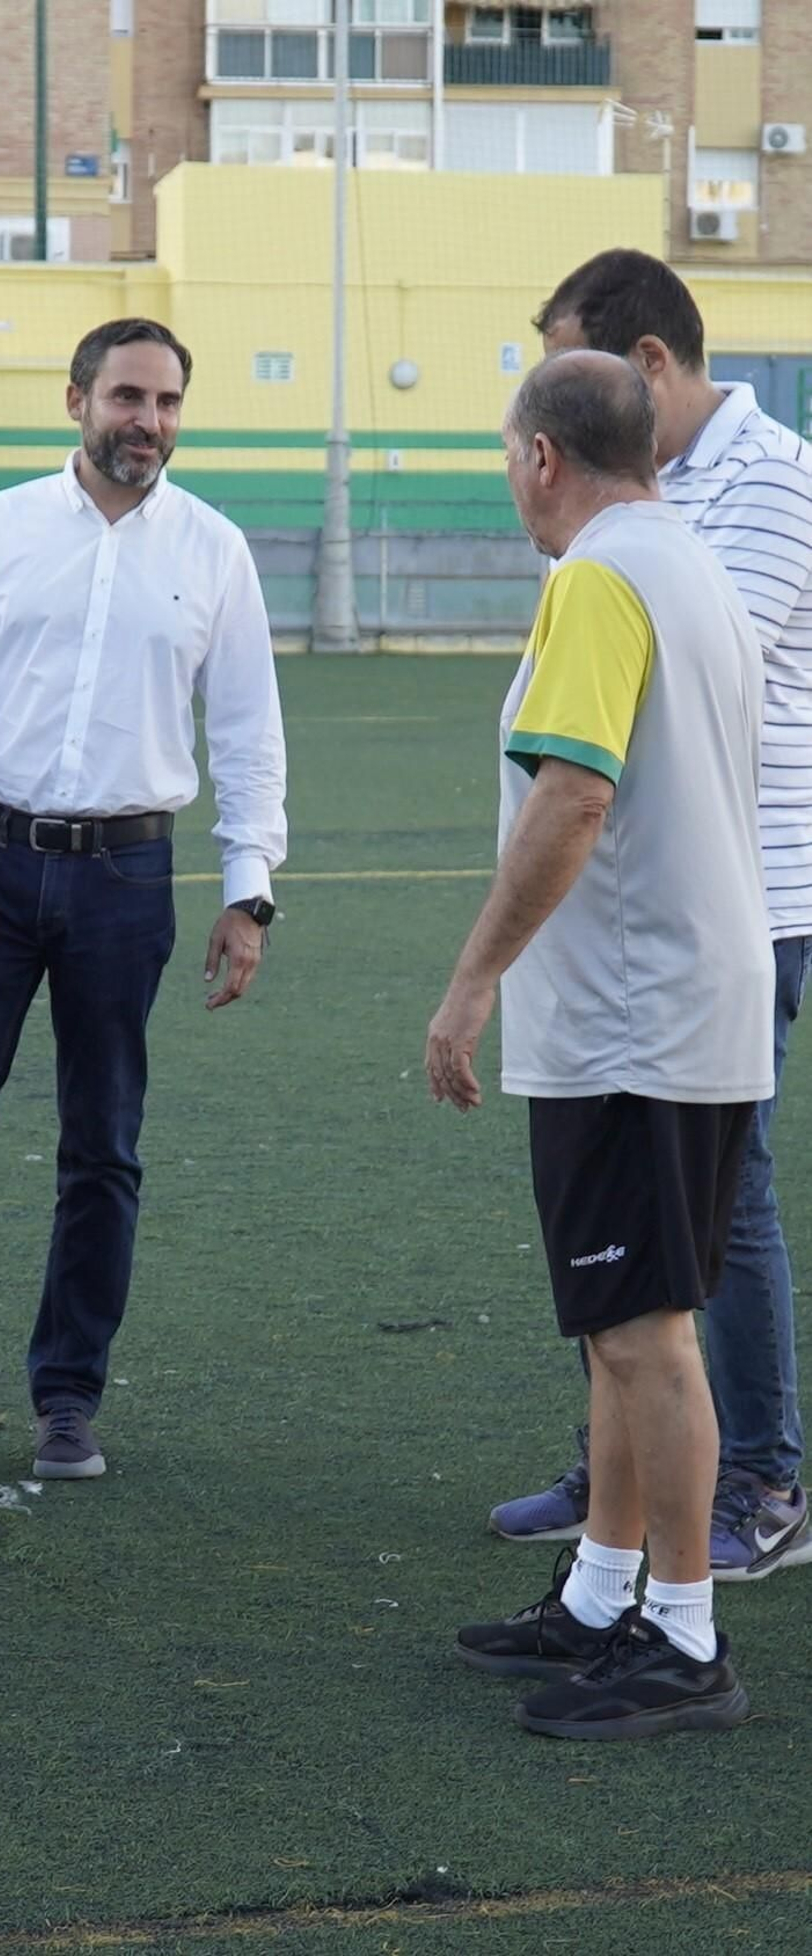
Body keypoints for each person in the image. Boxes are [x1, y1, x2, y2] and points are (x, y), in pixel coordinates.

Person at [0, 316, 287, 1500]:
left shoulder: (213, 549)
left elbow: (250, 732)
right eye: (126, 398)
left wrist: (248, 891)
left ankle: (68, 1399)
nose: (146, 423)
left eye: (165, 402)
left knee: (102, 1149)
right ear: (76, 401)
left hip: (128, 880)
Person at [429, 351, 772, 1739]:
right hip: (687, 997)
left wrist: (469, 981)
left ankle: (684, 1638)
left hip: (637, 1015)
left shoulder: (598, 581)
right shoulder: (687, 566)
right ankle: (601, 1590)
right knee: (623, 1331)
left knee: (642, 1332)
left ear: (542, 459)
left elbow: (572, 797)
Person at [490, 249, 812, 1585]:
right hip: (654, 900)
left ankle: (757, 1476)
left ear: (652, 367)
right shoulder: (659, 512)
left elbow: (645, 691)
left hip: (742, 892)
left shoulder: (772, 483)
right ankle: (623, 1462)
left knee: (716, 1207)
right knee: (656, 1231)